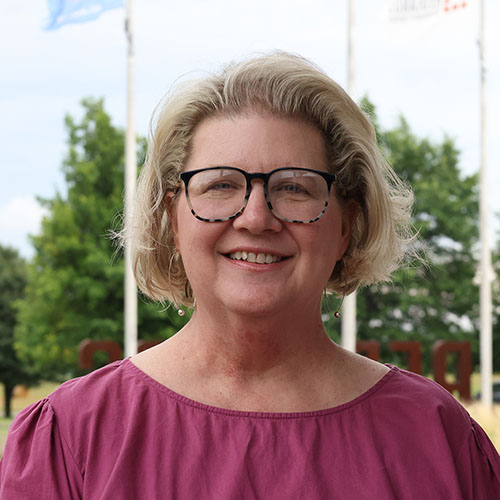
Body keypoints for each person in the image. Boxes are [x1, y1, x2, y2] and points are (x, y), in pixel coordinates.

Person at [1, 52, 499, 499]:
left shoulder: (436, 438)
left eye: (294, 188)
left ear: (346, 224)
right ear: (172, 217)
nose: (256, 218)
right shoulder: (73, 437)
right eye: (220, 184)